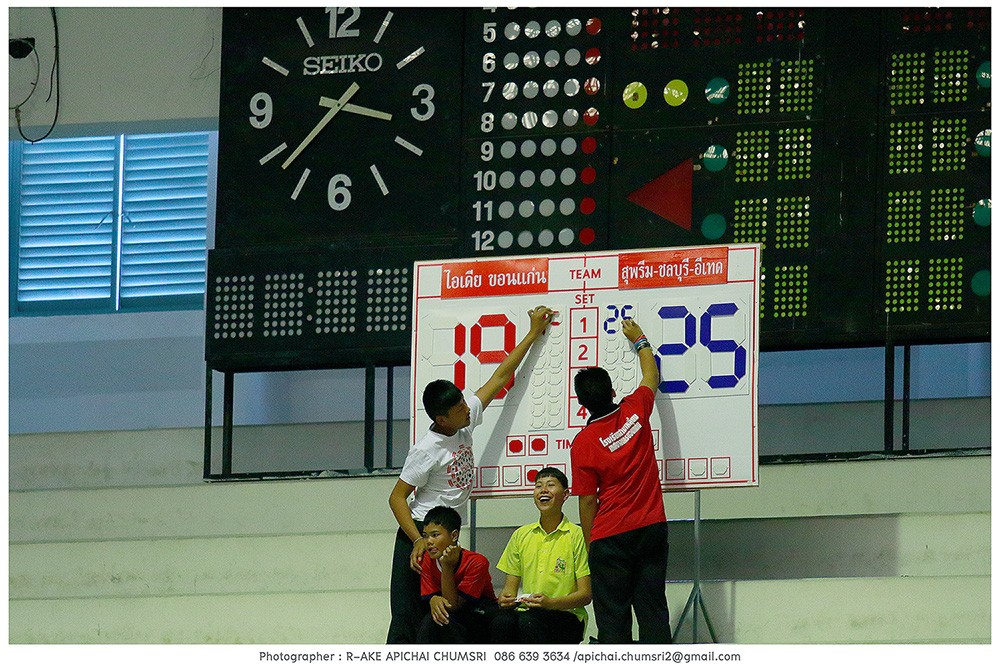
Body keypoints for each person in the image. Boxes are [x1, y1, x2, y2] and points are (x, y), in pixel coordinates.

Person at [386, 305, 557, 643]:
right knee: (407, 620)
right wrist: (418, 539)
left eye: (465, 404)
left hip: (444, 534)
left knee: (443, 618)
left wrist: (533, 333)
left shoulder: (463, 423)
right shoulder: (426, 449)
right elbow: (397, 497)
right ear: (441, 419)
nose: (468, 410)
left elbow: (500, 377)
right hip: (419, 533)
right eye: (460, 409)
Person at [569, 317, 671, 644]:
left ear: (581, 403)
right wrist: (640, 340)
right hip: (651, 527)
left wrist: (591, 545)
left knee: (613, 619)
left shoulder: (583, 443)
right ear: (613, 392)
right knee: (653, 609)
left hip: (610, 537)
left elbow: (587, 500)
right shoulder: (635, 410)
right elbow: (651, 376)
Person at [490, 466, 591, 644]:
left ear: (565, 495)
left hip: (567, 615)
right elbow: (509, 590)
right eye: (538, 486)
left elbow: (585, 595)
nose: (543, 490)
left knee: (527, 623)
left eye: (550, 485)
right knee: (500, 622)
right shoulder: (521, 535)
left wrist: (550, 603)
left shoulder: (577, 536)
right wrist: (505, 599)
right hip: (528, 612)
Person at [415, 505, 498, 643]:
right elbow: (434, 597)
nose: (429, 541)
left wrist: (447, 567)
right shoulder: (427, 560)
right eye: (425, 536)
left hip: (479, 612)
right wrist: (433, 599)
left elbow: (453, 605)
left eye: (435, 535)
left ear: (454, 535)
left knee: (449, 620)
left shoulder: (476, 562)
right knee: (430, 620)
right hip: (452, 614)